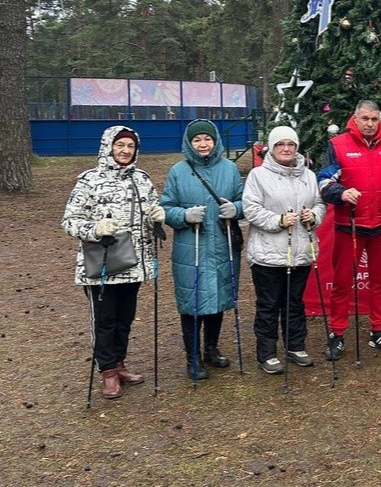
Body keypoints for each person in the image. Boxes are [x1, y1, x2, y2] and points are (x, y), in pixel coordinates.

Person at [62, 126, 165, 399]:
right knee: (105, 320)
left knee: (124, 319)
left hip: (134, 264)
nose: (125, 151)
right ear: (108, 146)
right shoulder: (89, 180)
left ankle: (119, 363)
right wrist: (96, 228)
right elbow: (69, 221)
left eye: (130, 146)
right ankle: (106, 371)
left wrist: (156, 217)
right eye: (120, 145)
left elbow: (150, 215)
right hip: (102, 267)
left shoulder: (142, 179)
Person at [317, 99, 381, 359]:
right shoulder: (337, 145)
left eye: (374, 119)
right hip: (348, 225)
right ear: (356, 118)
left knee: (380, 281)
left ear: (379, 119)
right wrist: (340, 192)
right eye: (365, 119)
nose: (370, 124)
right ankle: (337, 334)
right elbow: (323, 179)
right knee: (341, 283)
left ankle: (378, 331)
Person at [161, 119, 245, 379]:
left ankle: (211, 349)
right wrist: (184, 215)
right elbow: (164, 208)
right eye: (197, 140)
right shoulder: (178, 171)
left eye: (207, 139)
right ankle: (192, 358)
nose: (203, 144)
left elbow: (245, 200)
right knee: (191, 302)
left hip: (222, 245)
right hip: (191, 248)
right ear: (189, 143)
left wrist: (236, 209)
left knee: (218, 298)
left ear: (215, 140)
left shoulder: (230, 169)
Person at [242, 126, 326, 374]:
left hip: (300, 251)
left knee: (294, 302)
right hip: (268, 254)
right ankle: (267, 352)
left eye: (291, 144)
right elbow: (251, 209)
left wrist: (314, 216)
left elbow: (320, 203)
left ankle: (295, 345)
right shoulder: (258, 175)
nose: (286, 149)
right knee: (269, 305)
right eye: (280, 144)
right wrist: (278, 221)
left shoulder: (309, 175)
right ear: (272, 148)